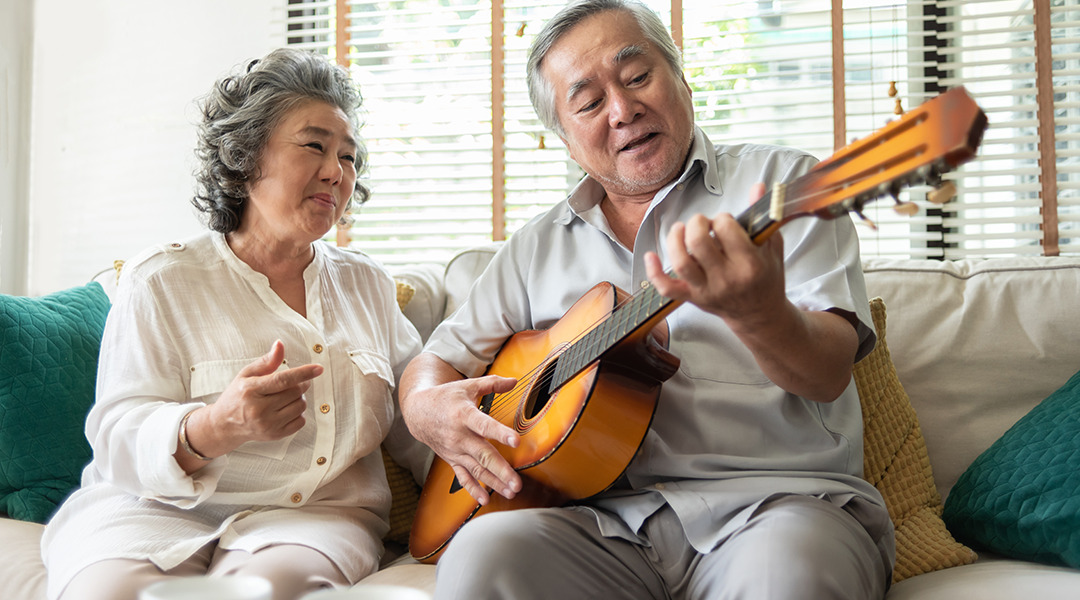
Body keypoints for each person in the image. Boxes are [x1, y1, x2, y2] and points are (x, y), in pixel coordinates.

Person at [398, 1, 896, 598]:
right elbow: (438, 360)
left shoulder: (785, 187)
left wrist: (761, 313)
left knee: (789, 574)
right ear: (564, 137)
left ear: (680, 78)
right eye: (588, 102)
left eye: (638, 77)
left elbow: (827, 372)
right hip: (601, 529)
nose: (622, 109)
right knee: (482, 556)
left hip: (776, 509)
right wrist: (426, 409)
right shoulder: (535, 247)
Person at [41, 48, 427, 600]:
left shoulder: (366, 284)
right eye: (315, 145)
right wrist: (215, 427)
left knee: (268, 591)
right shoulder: (163, 278)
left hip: (312, 520)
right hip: (149, 511)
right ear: (246, 158)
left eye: (349, 156)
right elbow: (116, 433)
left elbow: (419, 422)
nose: (335, 172)